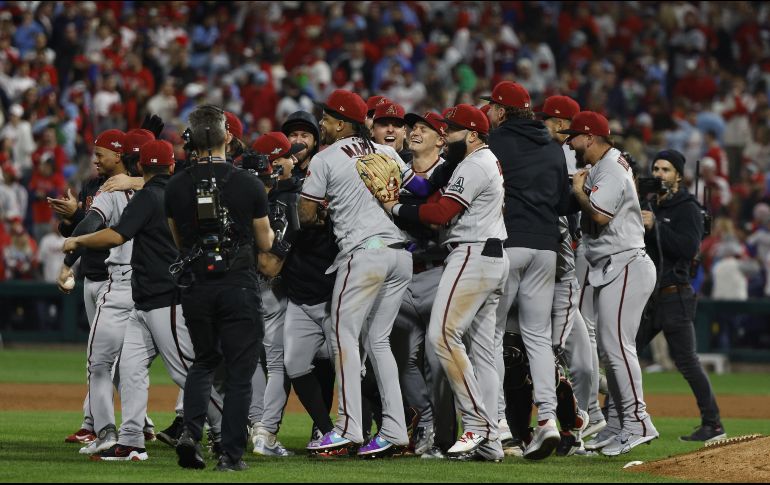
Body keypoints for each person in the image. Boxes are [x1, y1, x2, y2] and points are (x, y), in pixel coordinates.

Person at [62, 140, 225, 461]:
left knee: (185, 371)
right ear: (172, 167)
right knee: (131, 368)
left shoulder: (150, 196)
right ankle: (132, 440)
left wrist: (77, 238)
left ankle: (225, 430)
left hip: (166, 296)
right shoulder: (182, 192)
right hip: (147, 295)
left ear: (140, 168)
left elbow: (116, 235)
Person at [384, 103, 509, 462]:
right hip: (491, 255)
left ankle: (475, 423)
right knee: (482, 354)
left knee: (442, 336)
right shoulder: (476, 161)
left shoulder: (474, 164)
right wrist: (408, 189)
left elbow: (439, 213)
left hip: (472, 254)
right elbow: (432, 193)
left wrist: (394, 207)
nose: (445, 136)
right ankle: (491, 443)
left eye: (451, 131)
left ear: (471, 135)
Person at [299, 89, 413, 458]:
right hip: (399, 254)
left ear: (340, 123)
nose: (322, 124)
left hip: (365, 256)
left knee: (342, 335)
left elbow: (305, 214)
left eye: (326, 119)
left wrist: (326, 213)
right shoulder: (389, 152)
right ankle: (395, 430)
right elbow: (413, 193)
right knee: (378, 342)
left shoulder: (326, 157)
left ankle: (348, 428)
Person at [165, 105, 274, 472]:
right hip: (238, 285)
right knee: (241, 373)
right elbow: (265, 241)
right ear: (228, 136)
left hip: (196, 284)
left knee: (204, 361)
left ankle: (190, 435)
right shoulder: (249, 183)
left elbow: (179, 240)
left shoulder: (176, 184)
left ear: (191, 139)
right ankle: (229, 456)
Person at [563, 111, 659, 456]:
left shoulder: (612, 169)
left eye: (574, 137)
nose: (571, 143)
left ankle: (638, 421)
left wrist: (577, 190)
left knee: (617, 348)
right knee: (609, 348)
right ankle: (618, 425)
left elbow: (600, 215)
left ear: (590, 138)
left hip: (627, 264)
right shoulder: (608, 163)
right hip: (615, 264)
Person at [486, 82, 571, 460]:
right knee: (538, 337)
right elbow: (563, 200)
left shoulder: (496, 142)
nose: (488, 113)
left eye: (492, 107)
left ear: (502, 112)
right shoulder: (553, 148)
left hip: (509, 244)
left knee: (491, 334)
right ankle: (548, 422)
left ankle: (500, 425)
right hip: (547, 248)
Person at [57, 129, 141, 455]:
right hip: (153, 289)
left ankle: (106, 432)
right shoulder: (157, 190)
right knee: (170, 366)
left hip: (118, 285)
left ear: (120, 155)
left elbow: (91, 224)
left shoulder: (110, 190)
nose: (95, 158)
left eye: (101, 153)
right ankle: (140, 433)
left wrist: (69, 257)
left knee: (101, 364)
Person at [636, 149, 726, 443]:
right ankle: (620, 419)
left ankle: (712, 424)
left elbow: (687, 248)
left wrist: (655, 226)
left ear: (678, 175)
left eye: (666, 169)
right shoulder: (650, 204)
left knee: (686, 361)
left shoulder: (687, 207)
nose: (659, 174)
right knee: (624, 355)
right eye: (657, 168)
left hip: (675, 294)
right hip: (650, 296)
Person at [246, 131, 306, 457]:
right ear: (272, 163)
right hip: (271, 290)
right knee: (277, 362)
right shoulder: (283, 201)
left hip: (244, 287)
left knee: (255, 360)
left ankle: (256, 423)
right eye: (286, 155)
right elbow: (272, 266)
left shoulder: (244, 195)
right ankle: (265, 433)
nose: (293, 159)